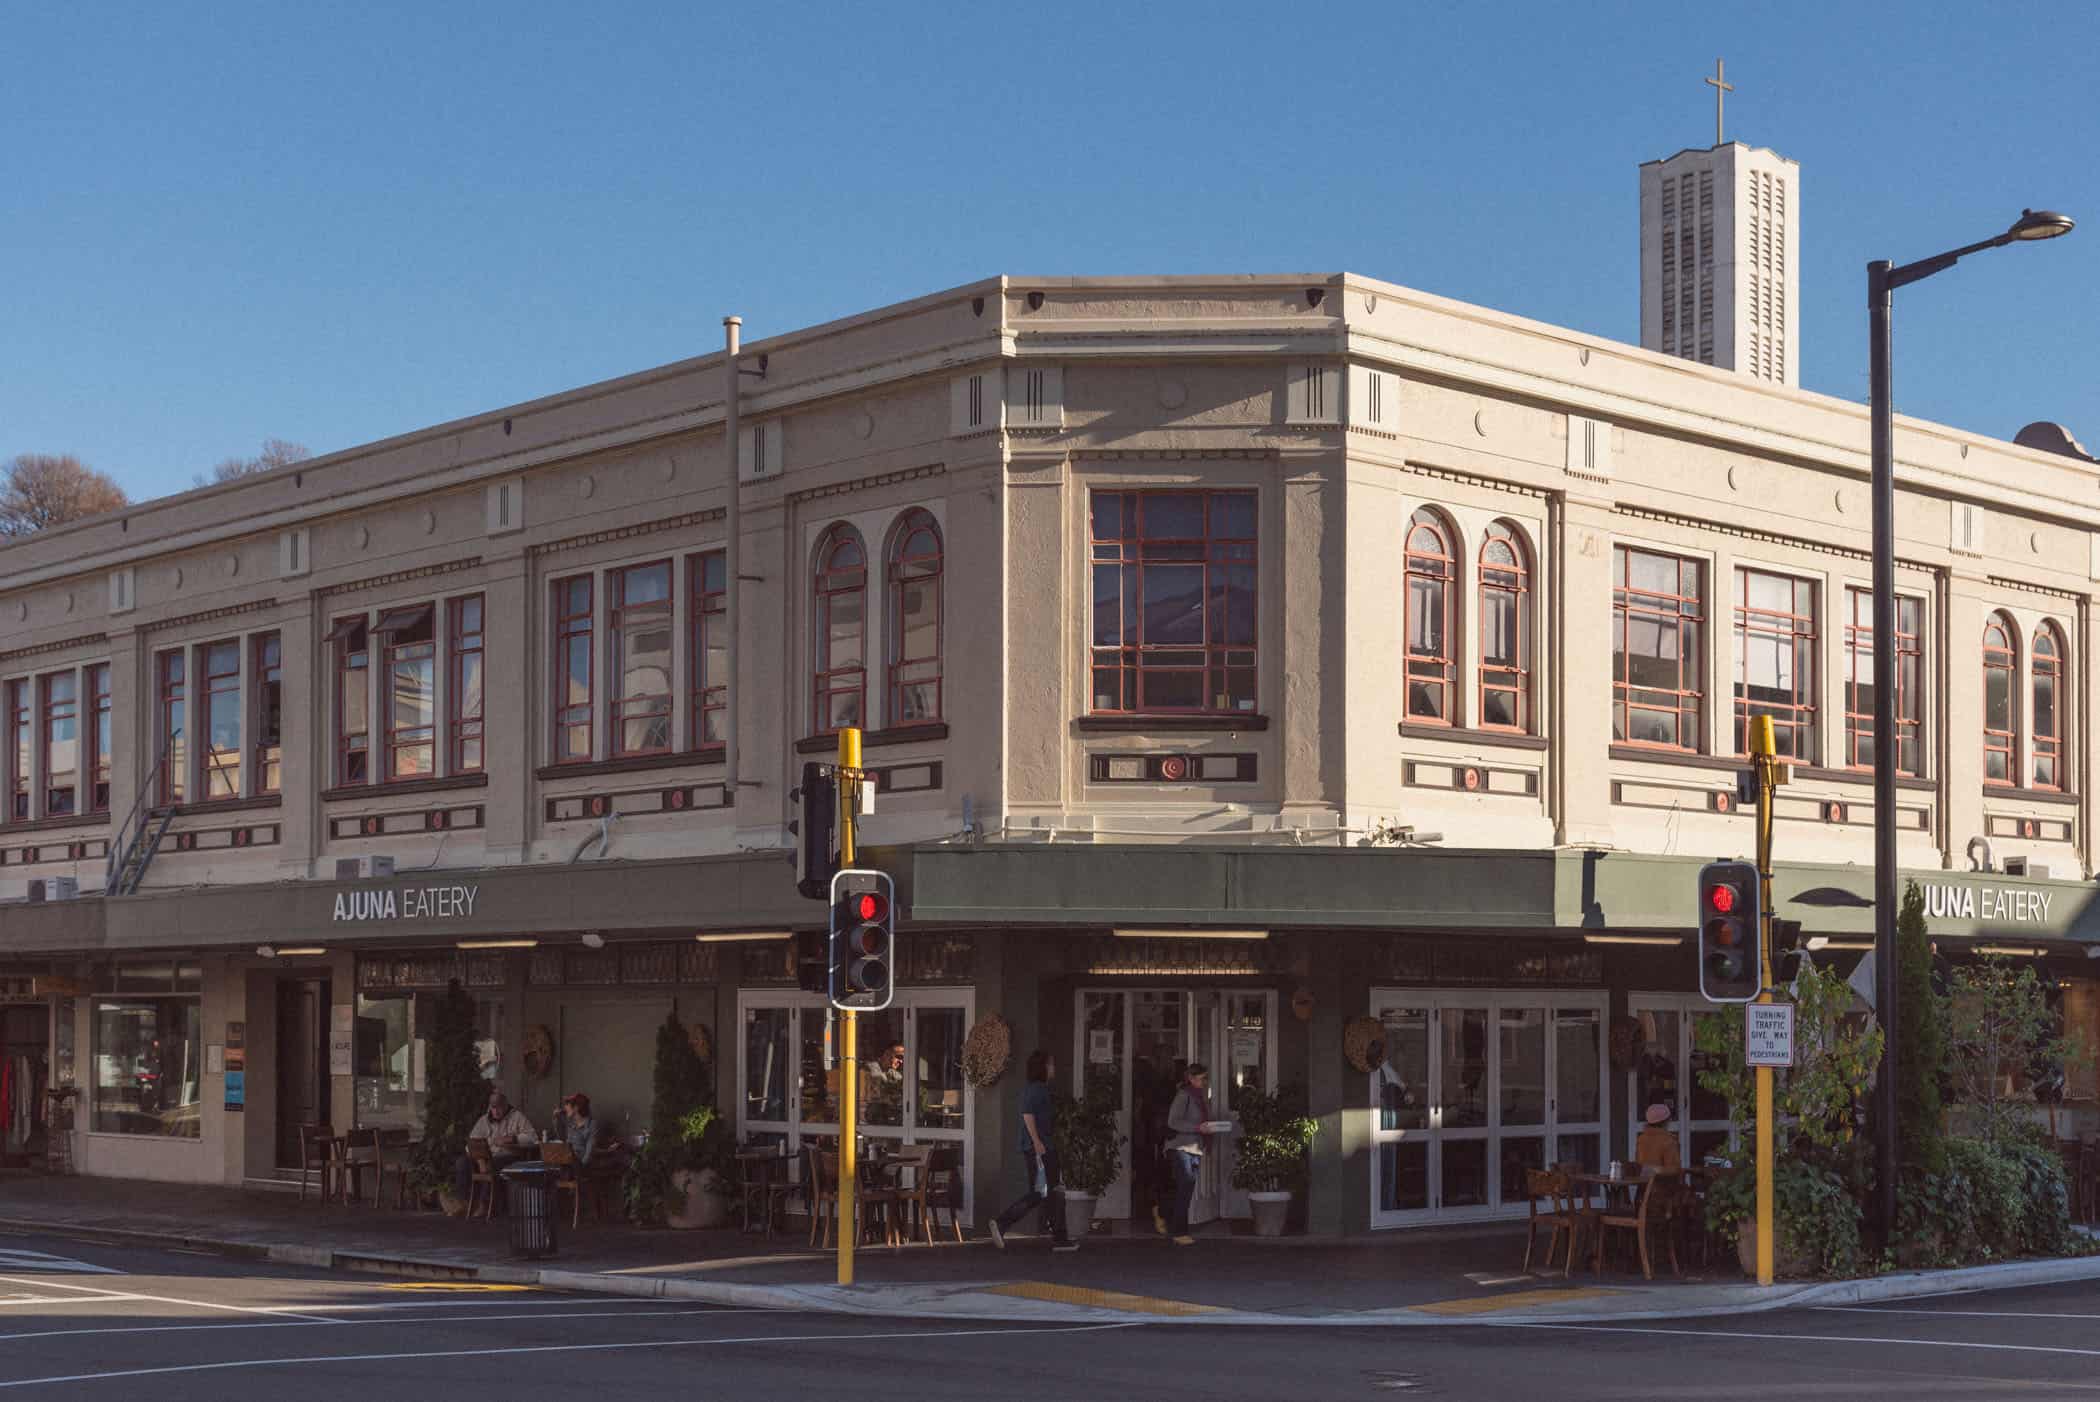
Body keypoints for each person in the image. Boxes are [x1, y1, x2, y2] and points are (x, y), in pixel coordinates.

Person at [989, 1050, 1076, 1252]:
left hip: (1040, 1147)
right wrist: (1037, 1142)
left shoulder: (1034, 1089)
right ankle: (1003, 1222)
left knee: (1047, 1192)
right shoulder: (1037, 1090)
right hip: (1041, 1148)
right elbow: (1027, 1114)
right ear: (1043, 1067)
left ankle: (1059, 1237)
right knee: (1046, 1192)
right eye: (1051, 1064)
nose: (1054, 1068)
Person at [1165, 1062, 1224, 1245]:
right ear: (1191, 1078)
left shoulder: (1201, 1097)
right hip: (1182, 1147)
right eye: (1201, 1078)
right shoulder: (1184, 1096)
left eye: (1206, 1078)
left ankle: (1173, 1225)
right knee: (1185, 1188)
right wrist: (1197, 1128)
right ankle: (1178, 1232)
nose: (1205, 1081)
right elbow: (1173, 1121)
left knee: (1186, 1189)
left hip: (1195, 1148)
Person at [452, 1087, 537, 1206]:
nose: (496, 1111)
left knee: (492, 1164)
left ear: (506, 1105)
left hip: (509, 1156)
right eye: (493, 1108)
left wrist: (513, 1138)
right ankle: (463, 1202)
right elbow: (470, 1145)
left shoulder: (517, 1117)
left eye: (499, 1107)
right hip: (485, 1157)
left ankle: (485, 1204)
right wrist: (479, 1159)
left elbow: (533, 1138)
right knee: (461, 1162)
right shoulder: (484, 1120)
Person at [550, 1092, 597, 1166]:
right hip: (566, 1162)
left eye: (567, 1105)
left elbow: (589, 1151)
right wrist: (556, 1119)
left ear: (576, 1108)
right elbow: (561, 1137)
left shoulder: (590, 1125)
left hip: (579, 1166)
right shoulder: (571, 1123)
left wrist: (580, 1168)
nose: (565, 1107)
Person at [1635, 1102, 1681, 1171]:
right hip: (1662, 1180)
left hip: (1643, 1180)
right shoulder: (1668, 1141)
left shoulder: (1641, 1139)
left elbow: (1638, 1164)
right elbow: (1673, 1169)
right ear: (1665, 1122)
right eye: (1669, 1119)